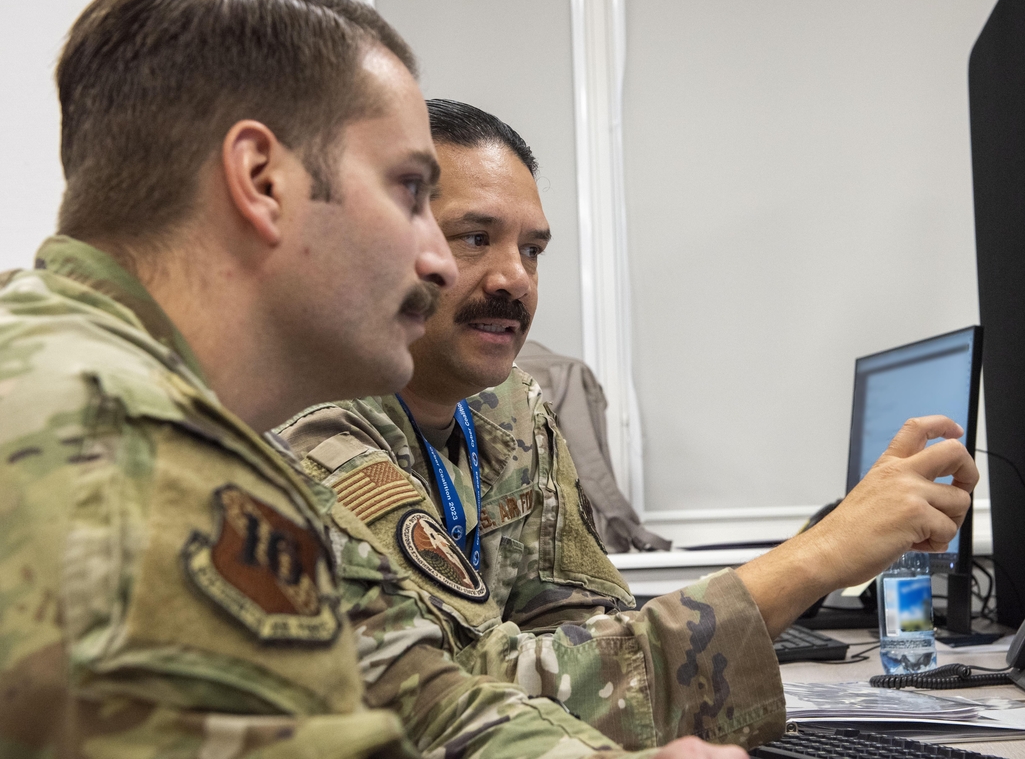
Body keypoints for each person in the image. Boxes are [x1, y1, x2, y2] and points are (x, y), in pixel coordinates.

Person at [0, 0, 746, 759]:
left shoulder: (189, 419)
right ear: (262, 181)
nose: (434, 257)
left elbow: (416, 696)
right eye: (411, 192)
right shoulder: (123, 455)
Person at [277, 101, 978, 750]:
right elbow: (452, 702)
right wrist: (817, 557)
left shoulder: (512, 409)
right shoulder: (316, 429)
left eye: (532, 250)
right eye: (475, 238)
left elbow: (583, 634)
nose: (513, 278)